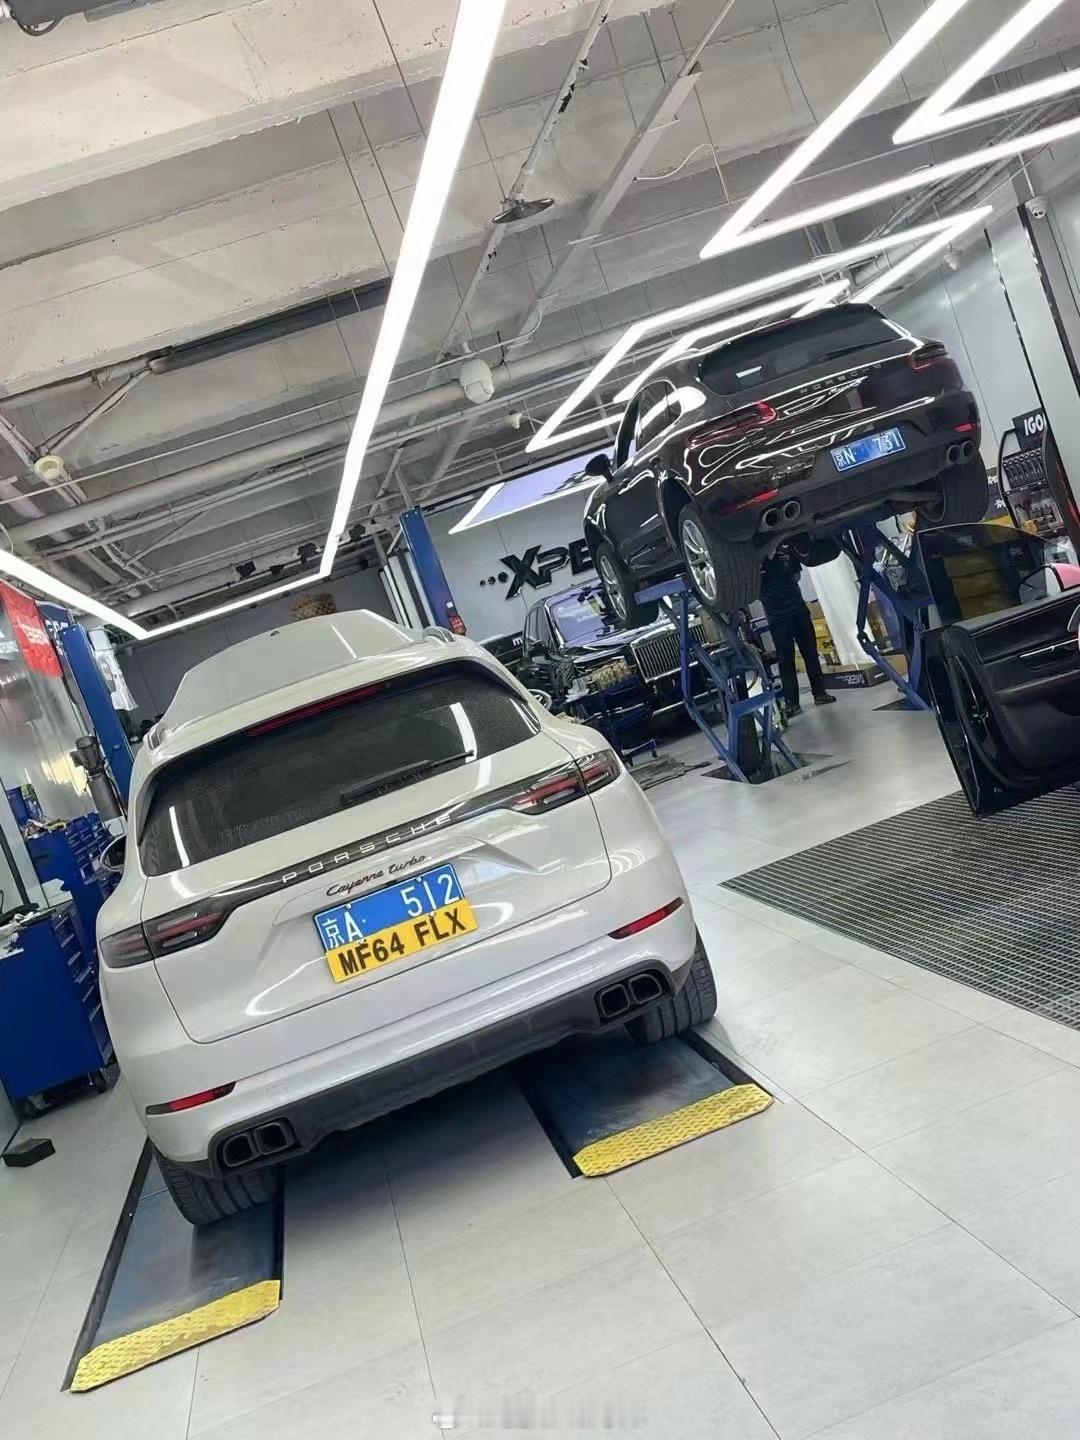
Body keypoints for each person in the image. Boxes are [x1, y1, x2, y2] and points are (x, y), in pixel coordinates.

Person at [760, 546, 837, 718]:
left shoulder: (787, 551)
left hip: (798, 611)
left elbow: (796, 575)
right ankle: (791, 703)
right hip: (777, 617)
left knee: (810, 653)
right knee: (785, 660)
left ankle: (819, 693)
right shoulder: (755, 562)